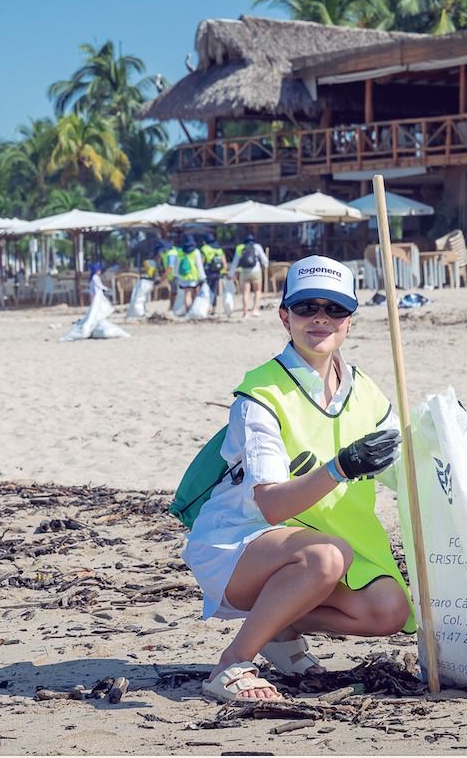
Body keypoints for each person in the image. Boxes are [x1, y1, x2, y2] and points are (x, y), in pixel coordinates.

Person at [182, 255, 412, 702]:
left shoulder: (366, 392)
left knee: (389, 609)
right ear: (285, 316)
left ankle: (278, 627)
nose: (320, 319)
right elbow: (271, 506)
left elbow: (405, 474)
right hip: (240, 544)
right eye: (307, 308)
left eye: (335, 309)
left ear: (350, 320)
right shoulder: (261, 394)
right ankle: (232, 663)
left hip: (312, 546)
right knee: (327, 556)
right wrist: (340, 467)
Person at [229, 232, 269, 318]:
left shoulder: (240, 248)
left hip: (244, 272)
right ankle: (255, 310)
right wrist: (265, 265)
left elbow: (235, 262)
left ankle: (245, 312)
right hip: (256, 271)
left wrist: (230, 274)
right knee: (257, 291)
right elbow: (264, 260)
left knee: (245, 293)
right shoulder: (257, 246)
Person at [174, 235, 206, 314]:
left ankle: (188, 311)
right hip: (194, 276)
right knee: (195, 293)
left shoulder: (180, 252)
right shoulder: (196, 251)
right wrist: (203, 277)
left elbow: (176, 264)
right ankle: (194, 310)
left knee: (187, 294)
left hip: (183, 277)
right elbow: (199, 265)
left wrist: (176, 276)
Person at [199, 234, 227, 302]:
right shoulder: (219, 248)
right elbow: (224, 262)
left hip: (207, 271)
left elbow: (201, 262)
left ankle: (206, 305)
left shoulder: (204, 248)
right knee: (214, 289)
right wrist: (224, 271)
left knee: (205, 289)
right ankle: (214, 307)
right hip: (217, 272)